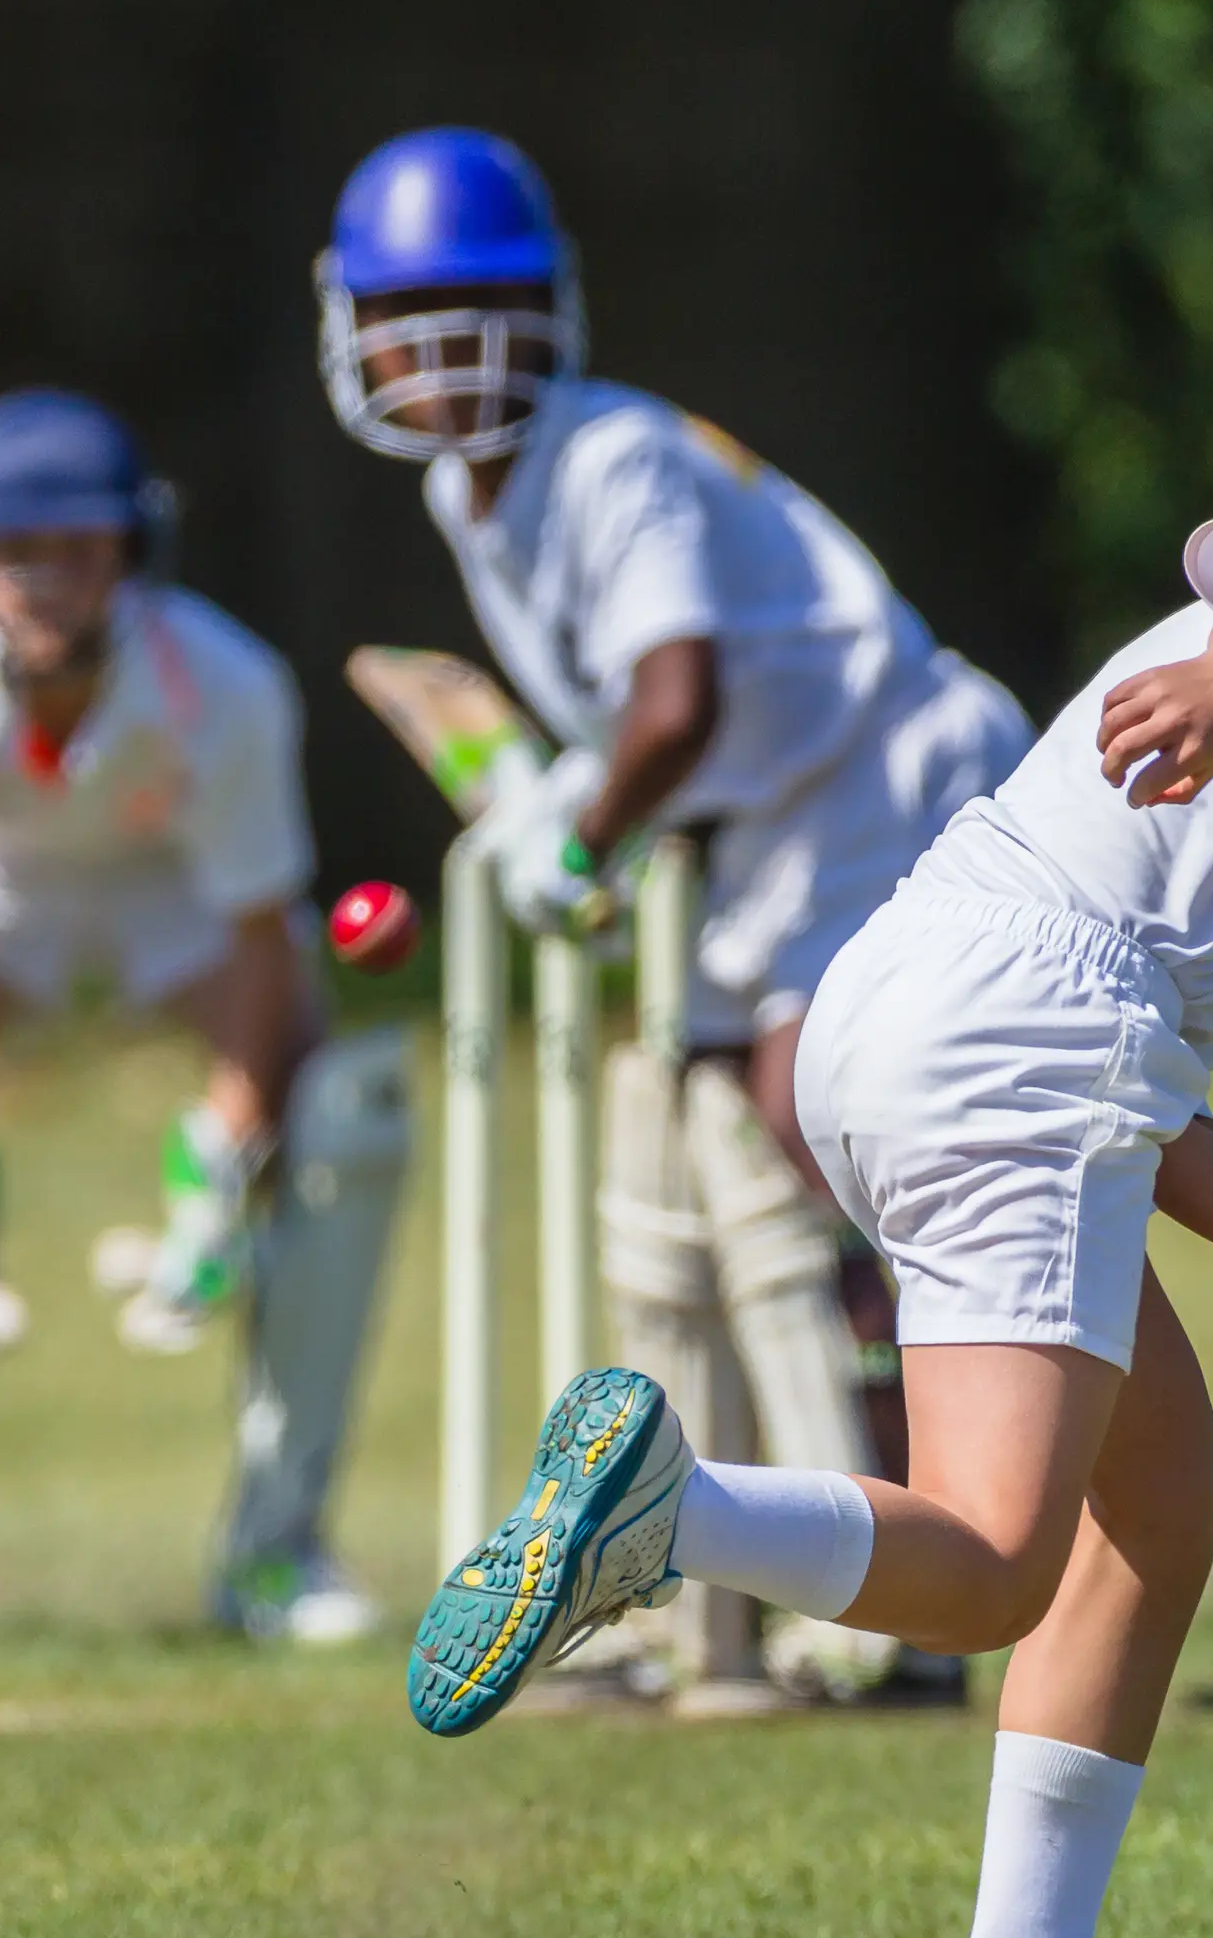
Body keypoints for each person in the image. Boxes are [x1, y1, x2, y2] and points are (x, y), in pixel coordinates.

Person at [403, 332, 1213, 1938]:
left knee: (1160, 1496)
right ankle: (670, 1517)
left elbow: (1134, 1108)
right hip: (1021, 1042)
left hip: (891, 1001)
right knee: (992, 1566)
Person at [319, 126, 1030, 1707]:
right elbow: (654, 722)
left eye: (480, 305)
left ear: (549, 308)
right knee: (691, 1153)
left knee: (813, 1126)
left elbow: (679, 701)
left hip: (883, 774)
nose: (444, 351)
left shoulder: (615, 457)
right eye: (408, 313)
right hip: (771, 826)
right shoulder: (469, 489)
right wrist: (571, 805)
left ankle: (933, 1567)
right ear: (353, 327)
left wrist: (577, 833)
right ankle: (705, 1585)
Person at [0, 388, 411, 1646]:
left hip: (176, 908)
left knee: (343, 1122)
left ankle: (275, 1548)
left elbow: (259, 936)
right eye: (14, 553)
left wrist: (219, 1160)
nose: (45, 582)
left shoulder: (225, 685)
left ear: (130, 553)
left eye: (78, 552)